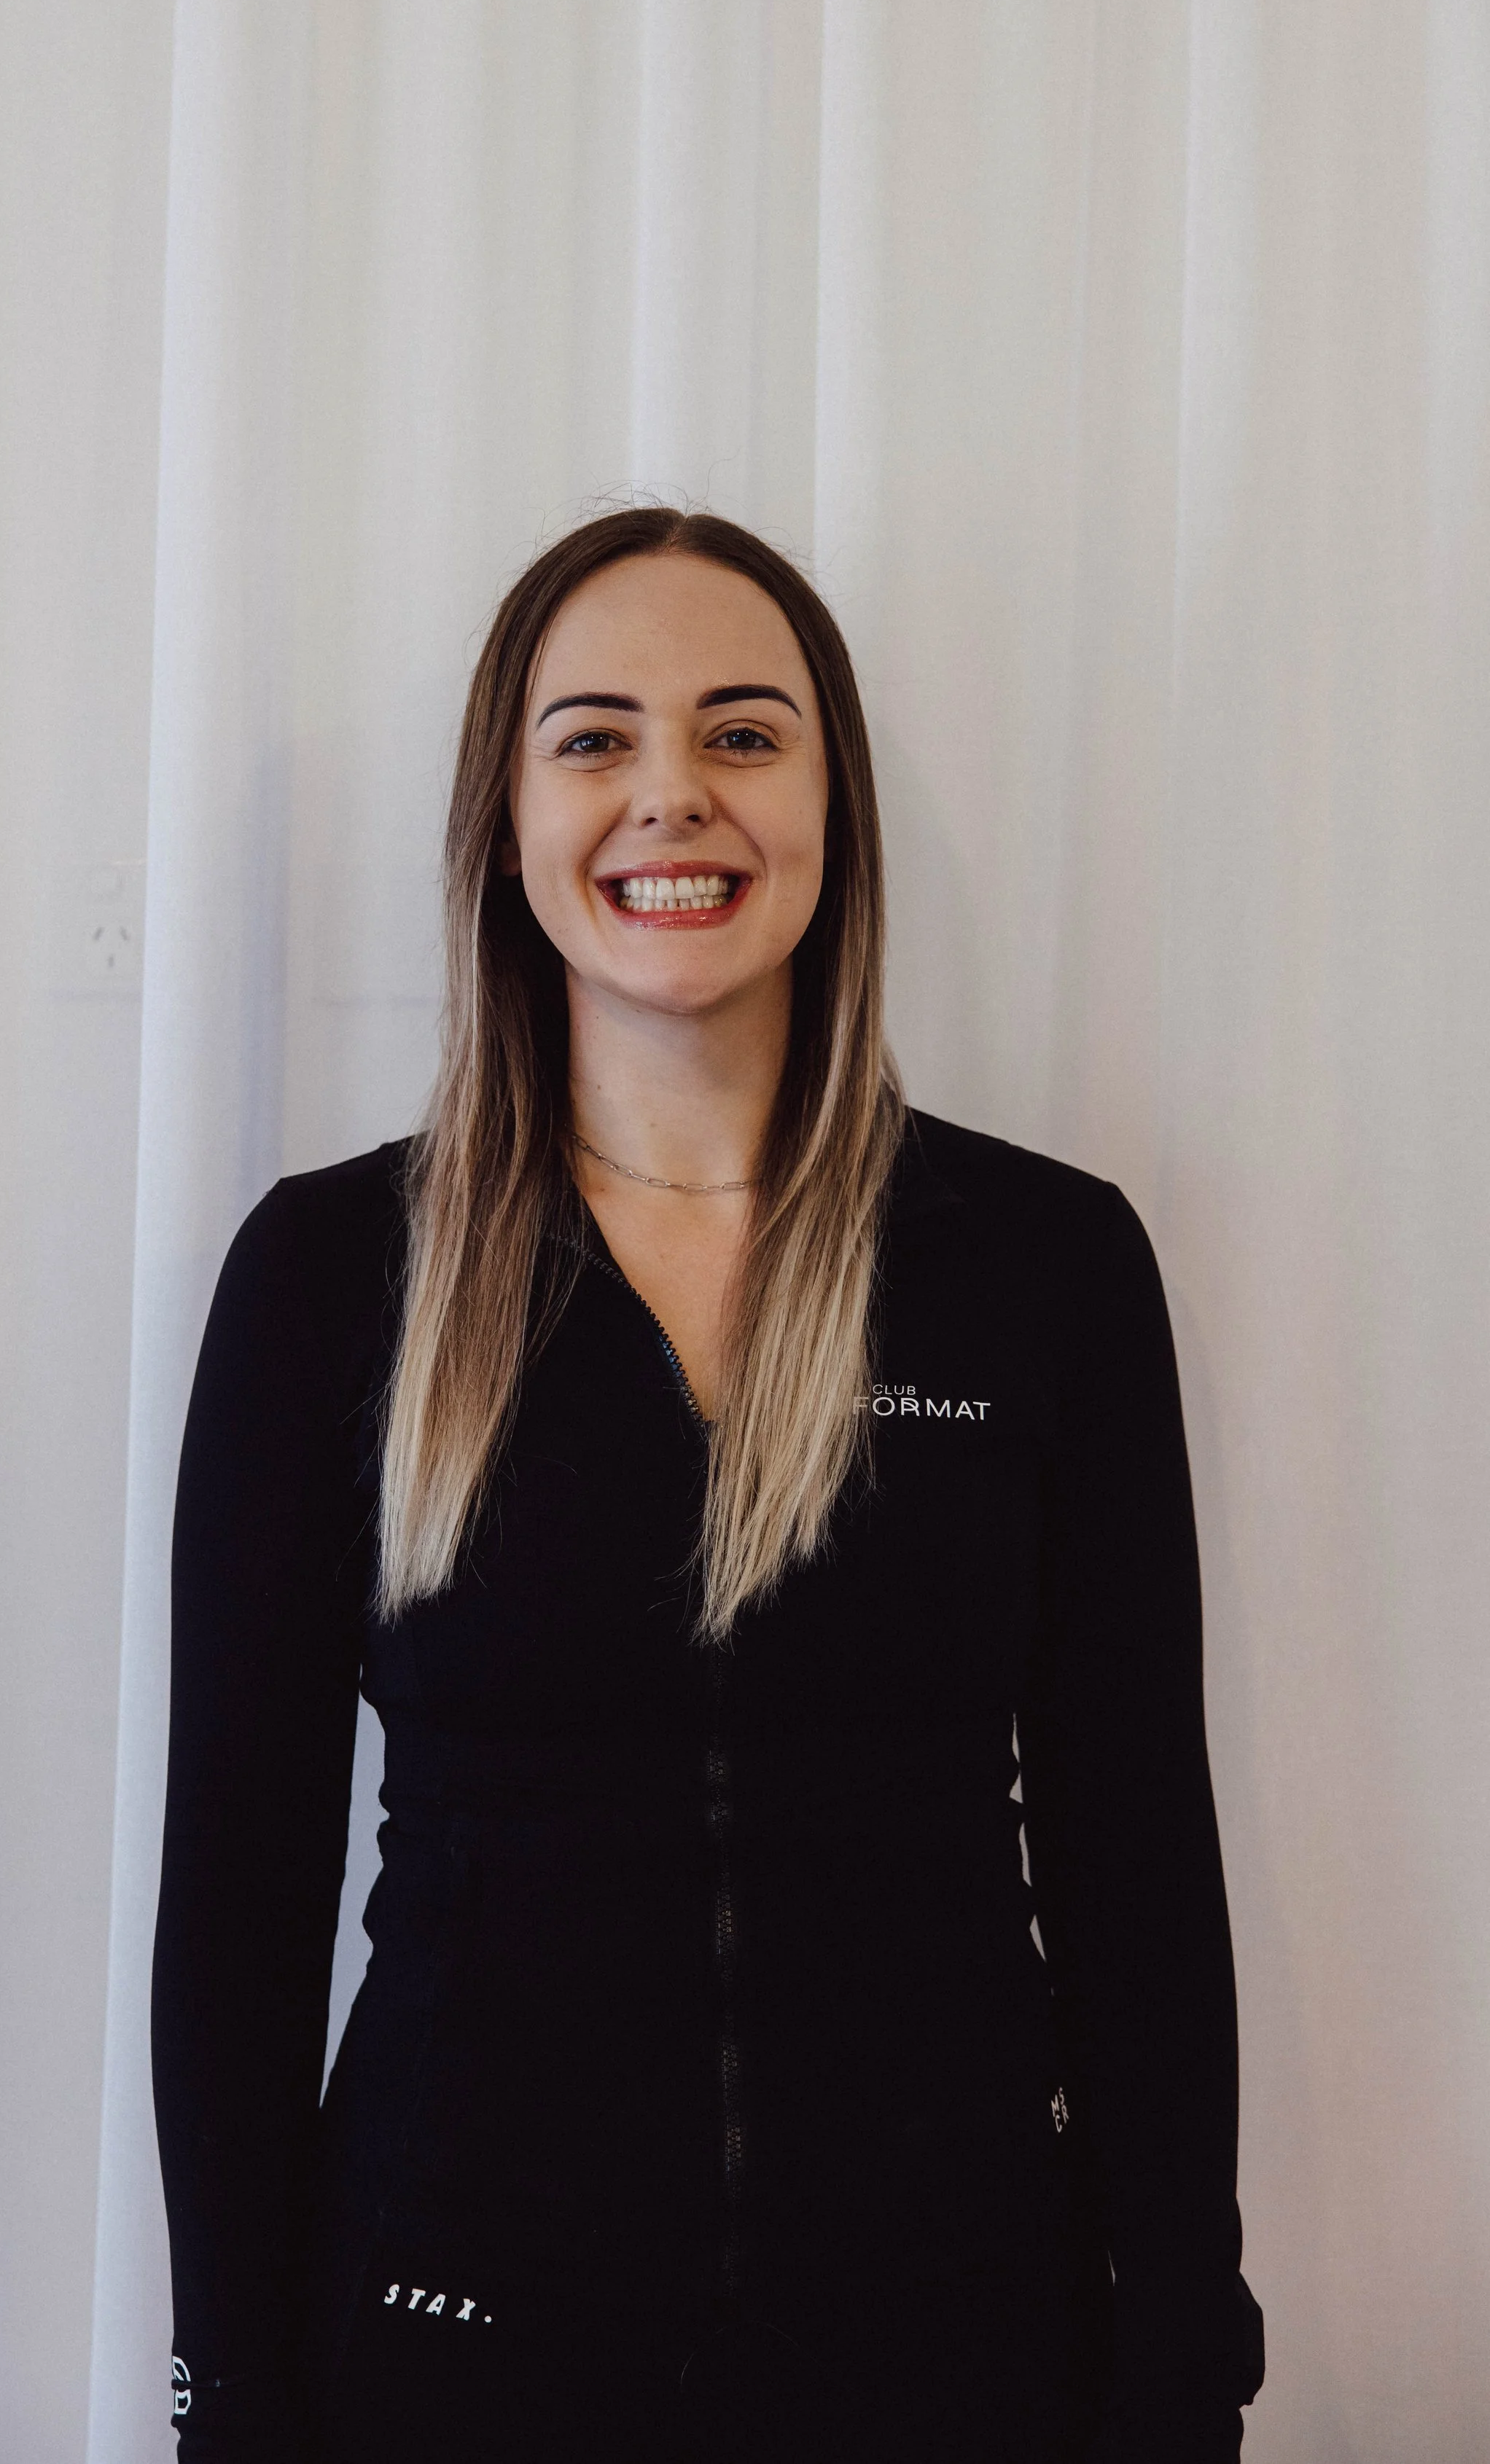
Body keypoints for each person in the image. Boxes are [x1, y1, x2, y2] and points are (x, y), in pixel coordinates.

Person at [149, 507, 1266, 2463]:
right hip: (450, 2345)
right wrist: (236, 2393)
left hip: (962, 2354)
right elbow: (239, 1899)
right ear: (504, 823)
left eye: (742, 733)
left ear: (829, 806)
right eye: (592, 738)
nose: (670, 792)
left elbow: (1134, 1867)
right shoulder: (337, 1279)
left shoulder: (1040, 1265)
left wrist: (1180, 2353)